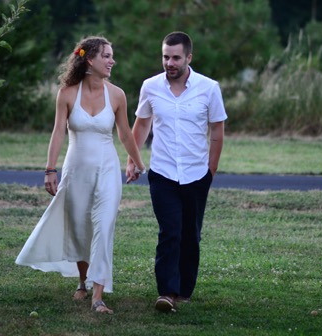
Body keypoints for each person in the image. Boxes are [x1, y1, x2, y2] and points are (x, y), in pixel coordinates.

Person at [16, 36, 146, 315]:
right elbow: (58, 132)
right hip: (76, 169)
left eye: (112, 56)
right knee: (79, 226)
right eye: (106, 56)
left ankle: (98, 296)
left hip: (107, 169)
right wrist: (50, 169)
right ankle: (82, 281)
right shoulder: (66, 93)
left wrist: (137, 161)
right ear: (89, 60)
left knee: (104, 224)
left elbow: (124, 133)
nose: (112, 61)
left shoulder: (117, 95)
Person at [125, 31, 227, 313]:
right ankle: (167, 292)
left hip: (197, 174)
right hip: (162, 173)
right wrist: (133, 159)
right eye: (165, 57)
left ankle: (184, 290)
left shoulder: (209, 88)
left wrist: (211, 170)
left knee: (190, 235)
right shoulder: (151, 86)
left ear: (188, 58)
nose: (169, 63)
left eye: (175, 57)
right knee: (170, 231)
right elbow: (142, 124)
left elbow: (217, 131)